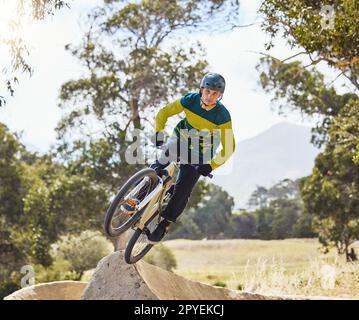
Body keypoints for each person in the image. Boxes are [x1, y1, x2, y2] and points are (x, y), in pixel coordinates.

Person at [147, 72, 236, 244]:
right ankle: (138, 196)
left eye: (215, 94)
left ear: (220, 96)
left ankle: (164, 224)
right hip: (180, 138)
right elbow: (164, 113)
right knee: (158, 165)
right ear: (201, 90)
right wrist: (158, 132)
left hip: (201, 153)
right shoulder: (190, 100)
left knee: (183, 189)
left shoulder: (222, 115)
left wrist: (210, 166)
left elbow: (229, 146)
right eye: (207, 91)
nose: (210, 97)